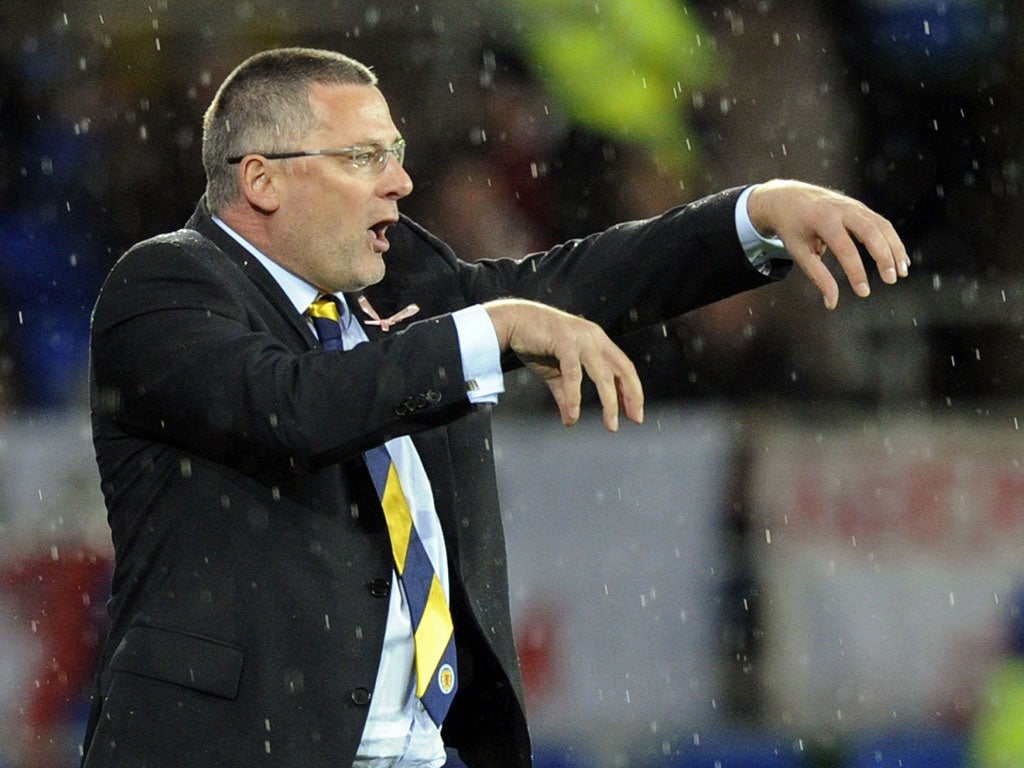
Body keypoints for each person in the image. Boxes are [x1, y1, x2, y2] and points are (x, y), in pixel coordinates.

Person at [81, 47, 908, 768]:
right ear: (261, 178)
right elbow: (292, 407)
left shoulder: (393, 286)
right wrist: (495, 327)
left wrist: (752, 217)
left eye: (395, 152)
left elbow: (569, 284)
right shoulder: (165, 287)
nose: (400, 181)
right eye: (365, 156)